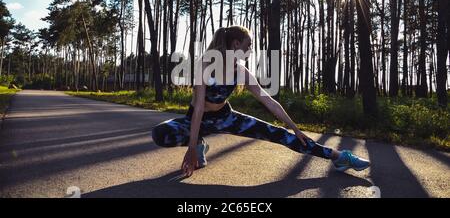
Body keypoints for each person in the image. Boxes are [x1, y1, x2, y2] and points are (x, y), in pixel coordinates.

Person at [152, 26, 370, 177]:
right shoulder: (206, 65)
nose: (250, 49)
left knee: (280, 134)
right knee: (161, 134)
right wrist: (191, 147)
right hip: (196, 120)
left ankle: (340, 157)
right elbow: (199, 108)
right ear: (236, 43)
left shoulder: (241, 71)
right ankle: (199, 144)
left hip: (226, 118)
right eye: (248, 45)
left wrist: (294, 128)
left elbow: (269, 101)